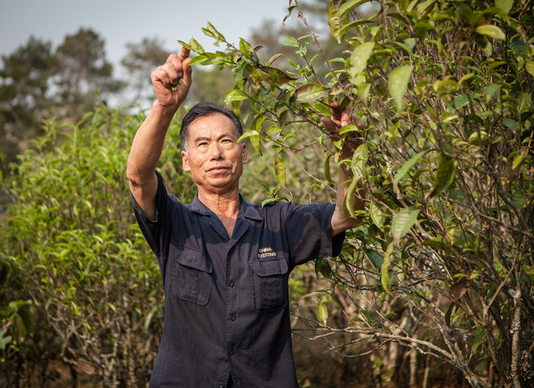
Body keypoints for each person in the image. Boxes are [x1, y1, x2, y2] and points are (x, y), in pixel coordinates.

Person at [127, 47, 364, 388]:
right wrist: (165, 106)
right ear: (185, 160)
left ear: (244, 152)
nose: (216, 153)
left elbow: (350, 214)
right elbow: (138, 177)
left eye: (226, 140)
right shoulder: (173, 223)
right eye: (203, 144)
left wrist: (349, 150)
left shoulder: (278, 223)